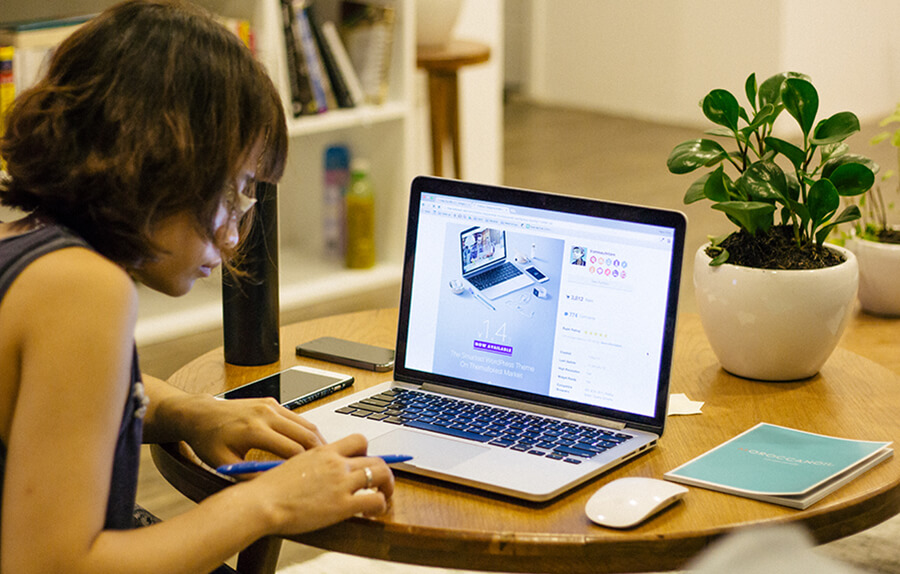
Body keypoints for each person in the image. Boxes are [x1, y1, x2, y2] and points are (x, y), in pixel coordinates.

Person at [0, 1, 393, 572]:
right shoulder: (85, 289)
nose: (233, 237)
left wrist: (188, 412)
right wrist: (271, 501)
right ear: (160, 163)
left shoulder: (27, 239)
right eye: (230, 194)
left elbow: (63, 398)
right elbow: (52, 565)